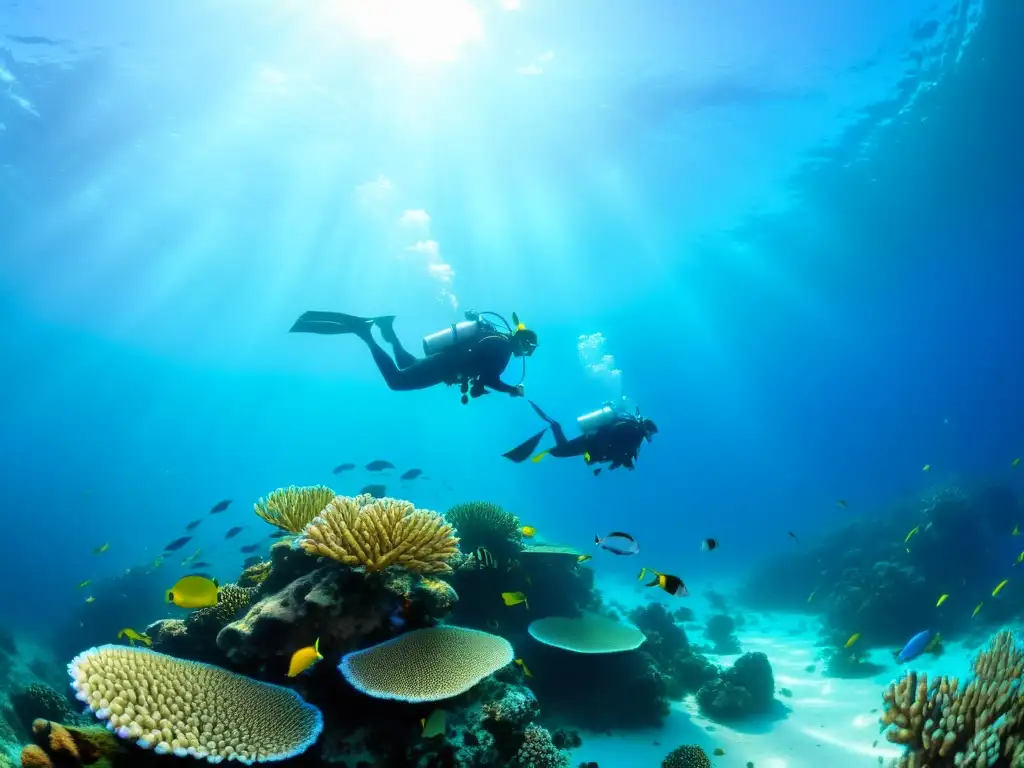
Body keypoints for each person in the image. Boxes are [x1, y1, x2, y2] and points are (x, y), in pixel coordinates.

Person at [289, 309, 538, 404]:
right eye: (529, 349)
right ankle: (365, 333)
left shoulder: (496, 342)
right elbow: (491, 378)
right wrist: (512, 389)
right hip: (445, 367)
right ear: (522, 342)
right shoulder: (502, 349)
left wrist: (483, 386)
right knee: (397, 382)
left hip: (444, 363)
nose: (526, 354)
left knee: (407, 364)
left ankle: (387, 329)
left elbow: (483, 378)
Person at [503, 400, 658, 476]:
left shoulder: (631, 429)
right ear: (647, 429)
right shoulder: (635, 434)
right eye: (650, 433)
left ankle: (541, 450)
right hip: (591, 445)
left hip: (591, 442)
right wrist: (625, 461)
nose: (649, 437)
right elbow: (620, 448)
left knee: (561, 450)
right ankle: (553, 427)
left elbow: (617, 445)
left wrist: (620, 460)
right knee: (562, 450)